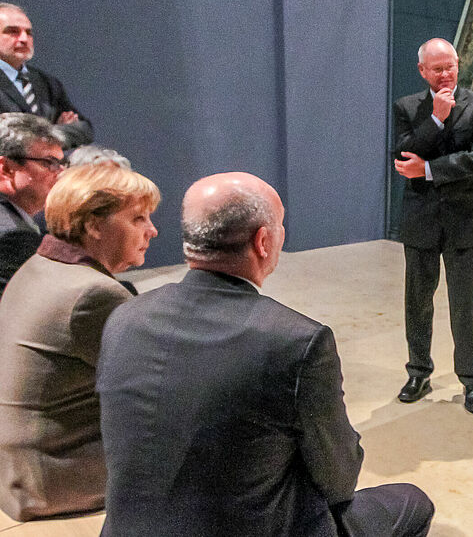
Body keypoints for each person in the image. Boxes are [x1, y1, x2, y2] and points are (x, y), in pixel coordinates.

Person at [96, 172, 434, 536]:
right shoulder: (297, 342)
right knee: (412, 501)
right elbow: (339, 480)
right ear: (263, 240)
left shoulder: (124, 317)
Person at [0, 164, 158, 521]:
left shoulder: (40, 265)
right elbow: (158, 386)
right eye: (138, 219)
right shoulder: (92, 293)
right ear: (93, 224)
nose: (152, 230)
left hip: (17, 467)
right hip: (53, 475)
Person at [393, 38, 473, 414]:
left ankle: (470, 381)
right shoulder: (407, 107)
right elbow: (404, 154)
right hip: (421, 218)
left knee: (465, 304)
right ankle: (418, 372)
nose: (446, 73)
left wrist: (430, 169)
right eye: (437, 69)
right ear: (422, 71)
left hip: (465, 219)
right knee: (417, 301)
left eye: (450, 66)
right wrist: (435, 118)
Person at [0, 4, 93, 148]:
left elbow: (84, 129)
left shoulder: (46, 82)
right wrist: (53, 132)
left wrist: (46, 136)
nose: (24, 39)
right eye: (13, 32)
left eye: (29, 33)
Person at [0, 112, 64, 293]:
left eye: (61, 163)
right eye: (49, 162)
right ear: (6, 169)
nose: (60, 173)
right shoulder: (12, 237)